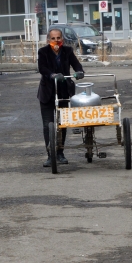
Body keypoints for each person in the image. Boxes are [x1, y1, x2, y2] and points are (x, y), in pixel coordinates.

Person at [37, 28, 85, 167]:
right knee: (48, 125)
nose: (56, 41)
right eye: (53, 38)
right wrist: (52, 75)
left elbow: (76, 64)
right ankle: (50, 155)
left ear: (62, 39)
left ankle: (60, 153)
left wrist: (80, 72)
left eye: (58, 38)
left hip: (64, 91)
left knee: (62, 123)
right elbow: (42, 68)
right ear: (48, 40)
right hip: (47, 92)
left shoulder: (67, 51)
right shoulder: (43, 52)